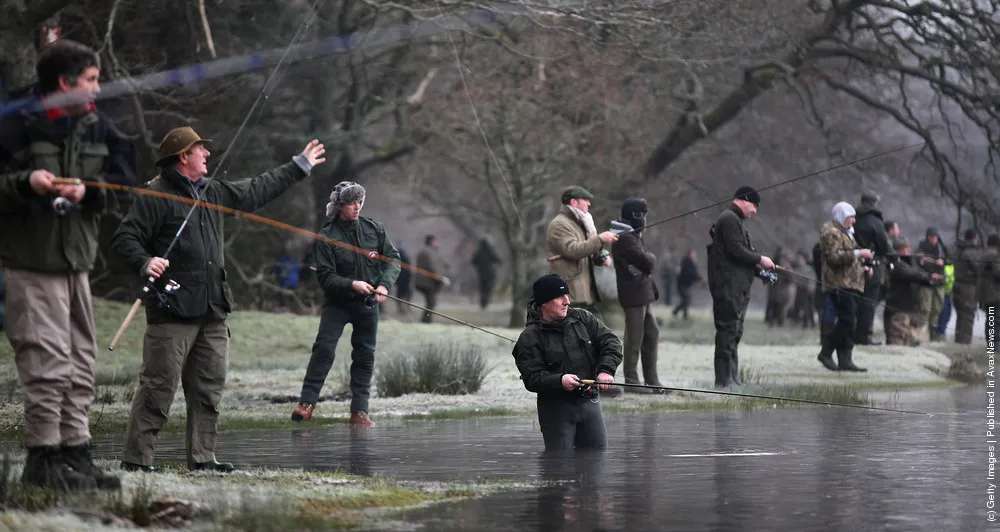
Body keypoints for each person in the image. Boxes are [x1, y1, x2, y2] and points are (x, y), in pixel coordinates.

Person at [111, 126, 325, 472]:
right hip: (172, 311)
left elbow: (256, 190)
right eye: (201, 150)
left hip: (213, 309)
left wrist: (298, 166)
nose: (208, 154)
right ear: (183, 157)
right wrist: (145, 261)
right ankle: (137, 461)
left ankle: (203, 458)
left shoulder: (212, 192)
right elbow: (124, 238)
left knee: (209, 388)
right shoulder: (155, 196)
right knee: (158, 389)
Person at [0, 39, 136, 491]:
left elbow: (124, 182)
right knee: (47, 362)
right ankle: (42, 460)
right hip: (30, 264)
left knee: (80, 362)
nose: (97, 90)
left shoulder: (96, 127)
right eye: (92, 80)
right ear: (65, 83)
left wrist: (89, 191)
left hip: (77, 262)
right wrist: (26, 183)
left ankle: (77, 455)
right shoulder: (14, 123)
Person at [290, 181, 400, 427]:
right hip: (337, 304)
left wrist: (384, 285)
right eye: (351, 202)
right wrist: (352, 284)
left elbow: (393, 259)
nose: (356, 207)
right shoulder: (327, 236)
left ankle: (359, 412)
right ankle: (306, 405)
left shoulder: (375, 229)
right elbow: (325, 276)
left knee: (364, 357)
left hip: (368, 304)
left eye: (359, 201)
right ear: (339, 205)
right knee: (323, 350)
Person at [511, 274, 623, 451]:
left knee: (596, 462)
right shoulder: (529, 337)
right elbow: (532, 378)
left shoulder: (583, 319)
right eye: (559, 297)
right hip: (556, 411)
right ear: (544, 303)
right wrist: (560, 381)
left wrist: (606, 370)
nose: (567, 301)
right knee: (558, 467)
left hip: (590, 404)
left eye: (567, 295)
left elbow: (611, 342)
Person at [706, 186, 774, 388]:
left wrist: (760, 272)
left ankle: (733, 377)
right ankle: (723, 380)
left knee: (735, 333)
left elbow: (740, 256)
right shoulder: (728, 219)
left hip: (738, 287)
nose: (755, 211)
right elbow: (736, 250)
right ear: (743, 200)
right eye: (754, 206)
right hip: (728, 287)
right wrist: (761, 259)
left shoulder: (736, 222)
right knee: (727, 331)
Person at [610, 197, 664, 393]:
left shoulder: (632, 235)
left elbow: (642, 262)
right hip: (633, 294)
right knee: (635, 337)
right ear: (637, 215)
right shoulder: (625, 238)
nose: (646, 220)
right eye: (644, 215)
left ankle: (652, 380)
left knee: (652, 333)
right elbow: (646, 261)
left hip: (642, 292)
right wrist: (651, 258)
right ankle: (632, 381)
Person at [546, 186, 619, 318]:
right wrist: (600, 239)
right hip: (571, 293)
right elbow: (572, 250)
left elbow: (585, 251)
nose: (589, 203)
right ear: (574, 202)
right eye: (585, 200)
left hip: (585, 292)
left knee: (597, 333)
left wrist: (599, 257)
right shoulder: (559, 224)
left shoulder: (581, 223)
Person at [816, 202, 872, 372]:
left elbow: (851, 260)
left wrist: (864, 268)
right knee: (847, 320)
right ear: (841, 216)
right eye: (851, 217)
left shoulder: (847, 233)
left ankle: (845, 359)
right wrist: (859, 253)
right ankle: (826, 352)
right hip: (838, 285)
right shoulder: (831, 232)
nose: (853, 221)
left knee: (850, 321)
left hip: (852, 284)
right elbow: (833, 258)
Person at [883, 237, 942, 346]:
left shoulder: (908, 262)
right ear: (900, 251)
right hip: (897, 308)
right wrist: (928, 277)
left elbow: (916, 272)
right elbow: (911, 273)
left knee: (908, 340)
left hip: (908, 308)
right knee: (897, 341)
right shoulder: (895, 265)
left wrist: (930, 278)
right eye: (906, 248)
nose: (909, 250)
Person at [852, 191, 892, 345]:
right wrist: (889, 255)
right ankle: (864, 337)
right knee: (869, 302)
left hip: (853, 264)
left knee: (854, 300)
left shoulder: (853, 217)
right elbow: (883, 244)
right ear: (874, 203)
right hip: (872, 264)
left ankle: (853, 335)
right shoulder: (875, 220)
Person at [916, 227, 948, 341]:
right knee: (925, 309)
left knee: (937, 309)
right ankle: (922, 335)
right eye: (932, 237)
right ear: (928, 237)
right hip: (926, 283)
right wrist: (932, 270)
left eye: (935, 237)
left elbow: (949, 259)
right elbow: (920, 263)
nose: (934, 239)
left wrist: (943, 262)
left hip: (939, 283)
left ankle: (933, 335)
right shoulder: (922, 247)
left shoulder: (941, 247)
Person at [951, 229, 980, 344]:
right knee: (967, 316)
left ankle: (959, 342)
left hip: (958, 285)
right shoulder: (970, 252)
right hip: (968, 288)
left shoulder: (959, 250)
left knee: (961, 316)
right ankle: (964, 343)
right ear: (974, 238)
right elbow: (978, 269)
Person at [414, 234, 447, 323]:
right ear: (432, 241)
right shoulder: (428, 252)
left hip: (427, 281)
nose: (437, 243)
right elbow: (432, 267)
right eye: (435, 241)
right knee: (431, 302)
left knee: (431, 302)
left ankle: (426, 320)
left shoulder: (429, 252)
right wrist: (439, 277)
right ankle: (426, 320)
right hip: (426, 282)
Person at [977, 234, 1000, 342]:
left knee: (990, 319)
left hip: (984, 292)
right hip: (994, 293)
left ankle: (990, 344)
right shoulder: (994, 255)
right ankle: (994, 346)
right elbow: (997, 272)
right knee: (995, 319)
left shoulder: (983, 253)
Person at [471, 237, 502, 309]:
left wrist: (479, 266)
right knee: (488, 289)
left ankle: (483, 303)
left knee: (483, 289)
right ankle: (485, 303)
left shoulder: (478, 252)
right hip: (490, 274)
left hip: (481, 274)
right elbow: (498, 260)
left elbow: (473, 261)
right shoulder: (490, 251)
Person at [673, 248, 702, 319]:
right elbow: (689, 273)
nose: (694, 255)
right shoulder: (686, 262)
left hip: (687, 284)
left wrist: (698, 277)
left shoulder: (692, 262)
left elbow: (693, 273)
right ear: (689, 254)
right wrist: (698, 277)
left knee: (686, 300)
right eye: (693, 253)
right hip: (682, 284)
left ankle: (678, 312)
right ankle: (682, 314)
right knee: (687, 299)